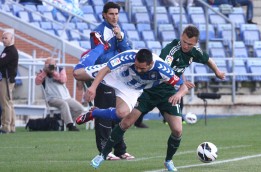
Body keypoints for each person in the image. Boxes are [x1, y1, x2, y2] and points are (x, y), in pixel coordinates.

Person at [86, 25, 226, 171]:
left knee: (177, 131)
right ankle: (102, 155)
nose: (185, 45)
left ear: (195, 44)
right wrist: (181, 85)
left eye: (189, 44)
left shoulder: (194, 52)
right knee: (126, 122)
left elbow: (208, 59)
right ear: (181, 37)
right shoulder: (170, 52)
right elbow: (166, 72)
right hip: (150, 90)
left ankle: (168, 161)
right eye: (184, 41)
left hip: (168, 93)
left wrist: (217, 72)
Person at [75, 49, 188, 169]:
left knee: (176, 130)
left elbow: (183, 87)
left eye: (142, 68)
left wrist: (178, 95)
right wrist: (92, 87)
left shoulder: (162, 69)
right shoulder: (128, 57)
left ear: (151, 64)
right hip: (115, 75)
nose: (138, 70)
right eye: (137, 66)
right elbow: (106, 69)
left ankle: (94, 112)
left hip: (133, 88)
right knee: (77, 74)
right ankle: (98, 49)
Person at [76, 1, 135, 160]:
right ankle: (104, 150)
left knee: (119, 114)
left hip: (119, 77)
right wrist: (114, 56)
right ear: (104, 15)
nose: (114, 17)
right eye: (111, 14)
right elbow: (100, 56)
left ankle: (120, 150)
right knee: (104, 112)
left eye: (116, 14)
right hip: (104, 76)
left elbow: (127, 52)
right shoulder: (97, 33)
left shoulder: (119, 30)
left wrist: (120, 38)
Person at [35, 58, 84, 131]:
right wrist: (44, 72)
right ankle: (70, 126)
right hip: (52, 98)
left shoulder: (60, 70)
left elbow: (63, 80)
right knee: (64, 104)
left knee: (79, 108)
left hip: (66, 97)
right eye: (48, 65)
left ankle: (65, 121)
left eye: (52, 65)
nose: (50, 67)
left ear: (55, 65)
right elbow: (37, 82)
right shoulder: (42, 73)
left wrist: (53, 73)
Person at [0, 31, 19, 134]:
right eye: (2, 38)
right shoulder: (7, 50)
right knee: (9, 103)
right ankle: (11, 126)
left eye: (5, 38)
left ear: (12, 39)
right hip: (8, 79)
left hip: (6, 80)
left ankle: (6, 126)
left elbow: (1, 63)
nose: (3, 40)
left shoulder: (10, 51)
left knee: (5, 103)